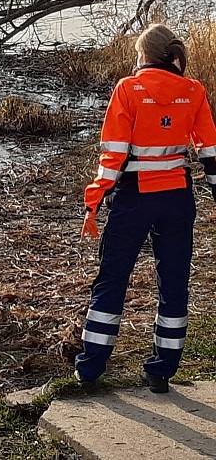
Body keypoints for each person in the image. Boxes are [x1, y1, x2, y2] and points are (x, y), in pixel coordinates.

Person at [77, 23, 216, 393]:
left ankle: (90, 368)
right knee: (174, 284)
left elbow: (115, 153)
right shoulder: (194, 90)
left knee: (112, 280)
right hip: (177, 198)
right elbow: (210, 151)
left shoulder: (128, 89)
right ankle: (161, 371)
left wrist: (95, 197)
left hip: (134, 198)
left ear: (144, 55)